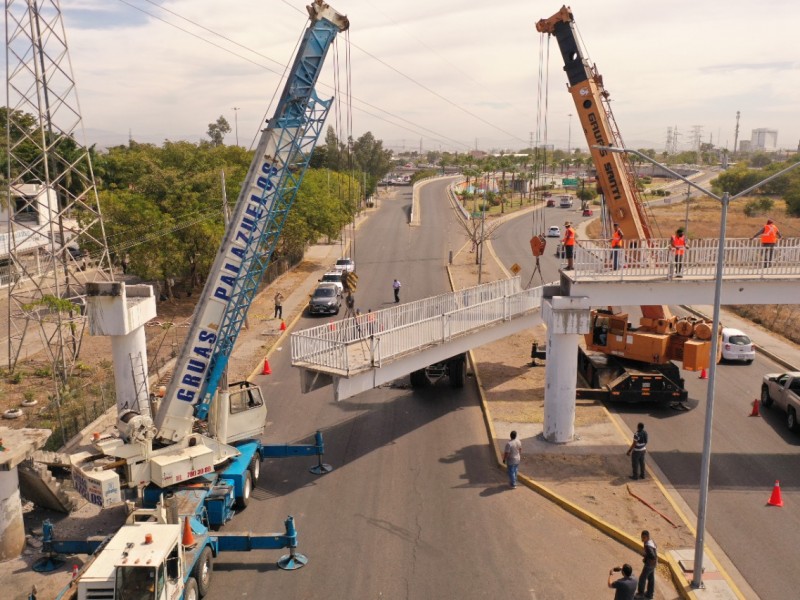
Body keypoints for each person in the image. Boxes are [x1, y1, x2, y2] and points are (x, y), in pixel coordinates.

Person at [636, 530, 658, 599]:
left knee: (642, 578)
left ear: (647, 537)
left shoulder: (648, 546)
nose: (642, 539)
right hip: (654, 564)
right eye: (642, 537)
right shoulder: (651, 541)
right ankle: (650, 594)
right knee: (651, 578)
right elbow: (655, 547)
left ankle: (640, 594)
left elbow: (652, 556)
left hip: (649, 565)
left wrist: (646, 556)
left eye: (644, 538)